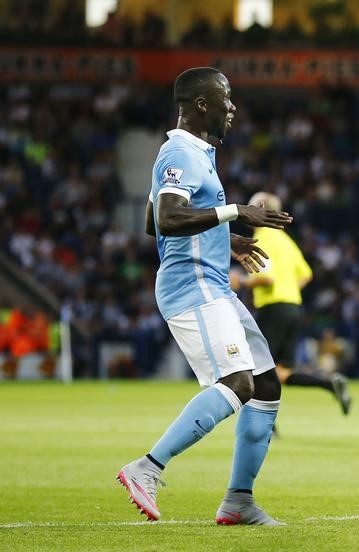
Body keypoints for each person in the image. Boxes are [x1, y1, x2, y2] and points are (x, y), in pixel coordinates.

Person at [116, 67, 293, 526]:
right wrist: (236, 211)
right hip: (191, 286)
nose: (232, 107)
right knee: (238, 383)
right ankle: (146, 468)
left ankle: (238, 501)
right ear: (201, 105)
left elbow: (152, 222)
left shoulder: (197, 153)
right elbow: (171, 218)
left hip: (213, 282)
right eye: (225, 99)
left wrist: (225, 237)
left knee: (267, 385)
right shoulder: (179, 152)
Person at [241, 191, 351, 415]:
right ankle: (329, 384)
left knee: (256, 367)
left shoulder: (262, 237)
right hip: (292, 307)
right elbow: (306, 275)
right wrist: (288, 289)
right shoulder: (286, 240)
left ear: (260, 208)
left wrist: (242, 281)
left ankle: (263, 423)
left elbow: (267, 277)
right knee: (281, 371)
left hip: (273, 307)